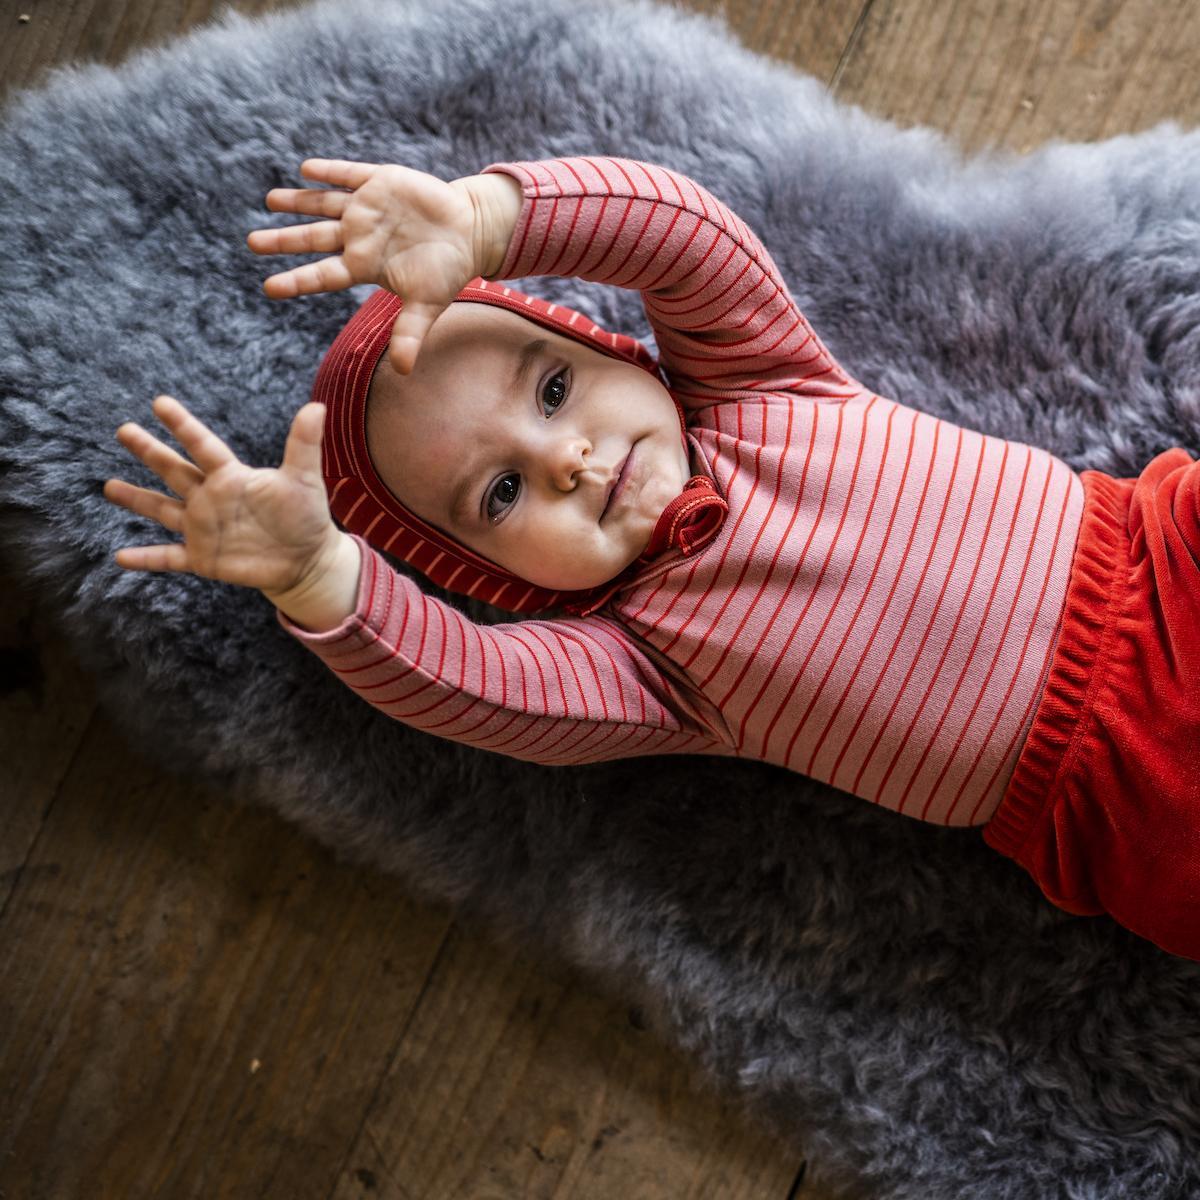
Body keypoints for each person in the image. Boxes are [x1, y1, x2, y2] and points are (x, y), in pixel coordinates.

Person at [102, 155, 1200, 960]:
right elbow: (467, 684)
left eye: (550, 387)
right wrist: (317, 577)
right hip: (1106, 789)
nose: (567, 458)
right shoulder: (643, 666)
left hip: (1160, 557)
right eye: (500, 493)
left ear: (603, 345)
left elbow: (685, 237)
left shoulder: (763, 384)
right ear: (496, 580)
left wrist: (488, 222)